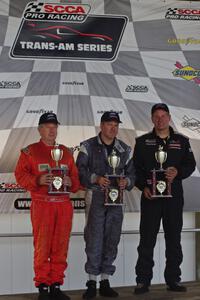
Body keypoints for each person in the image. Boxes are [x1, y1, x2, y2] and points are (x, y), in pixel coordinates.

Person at [15, 112, 80, 300]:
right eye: (48, 127)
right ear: (40, 129)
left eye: (55, 127)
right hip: (42, 205)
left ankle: (56, 285)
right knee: (43, 246)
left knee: (61, 246)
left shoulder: (66, 152)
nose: (52, 130)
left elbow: (76, 181)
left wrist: (70, 181)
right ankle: (43, 286)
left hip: (63, 205)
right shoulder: (29, 151)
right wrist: (38, 179)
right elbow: (20, 176)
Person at [133, 103, 196, 294]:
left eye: (163, 116)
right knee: (146, 240)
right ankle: (143, 281)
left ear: (169, 117)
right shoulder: (142, 142)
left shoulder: (182, 141)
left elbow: (190, 164)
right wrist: (143, 187)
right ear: (152, 119)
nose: (160, 120)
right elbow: (134, 170)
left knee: (174, 240)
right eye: (156, 116)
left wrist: (177, 172)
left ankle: (173, 280)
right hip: (151, 198)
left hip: (173, 199)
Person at [76, 111, 135, 299]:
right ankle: (91, 281)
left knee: (112, 238)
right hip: (96, 196)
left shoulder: (125, 149)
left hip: (117, 199)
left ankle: (105, 280)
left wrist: (127, 181)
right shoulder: (87, 146)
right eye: (109, 124)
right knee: (94, 238)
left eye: (116, 125)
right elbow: (79, 171)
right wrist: (96, 178)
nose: (113, 128)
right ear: (101, 126)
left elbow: (133, 174)